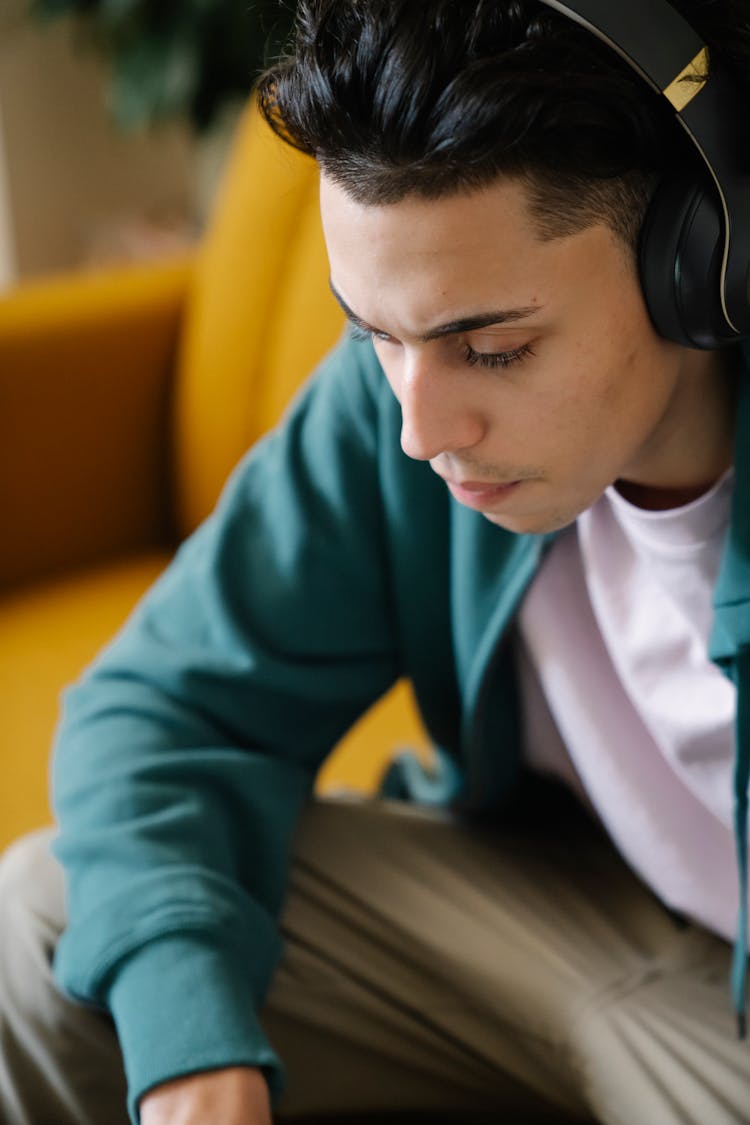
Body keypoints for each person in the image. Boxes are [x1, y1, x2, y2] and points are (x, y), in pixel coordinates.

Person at [2, 0, 750, 1122]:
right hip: (553, 904)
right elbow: (159, 711)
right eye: (374, 334)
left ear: (708, 265)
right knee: (46, 916)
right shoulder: (403, 405)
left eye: (492, 348)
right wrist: (193, 1064)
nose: (421, 430)